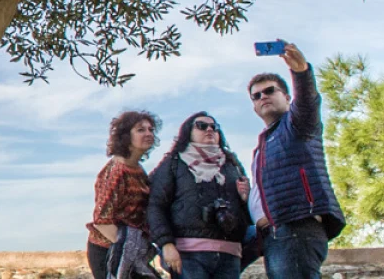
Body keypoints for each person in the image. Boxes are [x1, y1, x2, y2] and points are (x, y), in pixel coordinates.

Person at [247, 41, 345, 279]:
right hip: (277, 235)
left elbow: (308, 104)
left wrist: (301, 72)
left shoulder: (296, 125)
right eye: (256, 95)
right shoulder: (262, 145)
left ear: (287, 96)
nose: (263, 97)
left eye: (270, 91)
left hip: (297, 227)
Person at [148, 112, 251, 279]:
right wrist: (166, 244)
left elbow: (247, 211)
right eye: (202, 126)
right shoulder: (174, 163)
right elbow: (156, 205)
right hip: (188, 255)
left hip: (229, 253)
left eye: (214, 127)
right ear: (188, 132)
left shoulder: (232, 164)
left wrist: (246, 198)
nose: (209, 129)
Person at [89, 111, 159, 279]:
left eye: (150, 129)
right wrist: (128, 252)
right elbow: (102, 221)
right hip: (108, 250)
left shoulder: (138, 170)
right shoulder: (115, 171)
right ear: (126, 136)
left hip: (130, 250)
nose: (148, 133)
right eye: (141, 130)